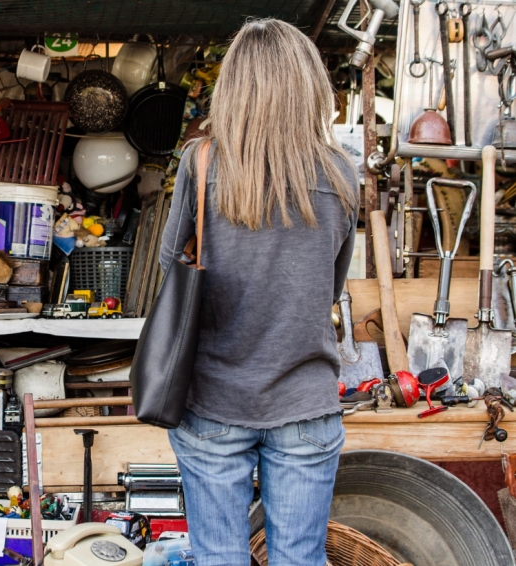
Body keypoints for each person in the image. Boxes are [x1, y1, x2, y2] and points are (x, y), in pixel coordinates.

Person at [159, 19, 359, 566]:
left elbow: (169, 274)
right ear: (309, 84)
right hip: (305, 400)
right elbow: (330, 286)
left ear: (235, 85)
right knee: (299, 558)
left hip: (214, 399)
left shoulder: (200, 164)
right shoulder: (342, 174)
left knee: (219, 557)